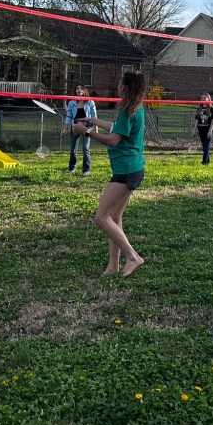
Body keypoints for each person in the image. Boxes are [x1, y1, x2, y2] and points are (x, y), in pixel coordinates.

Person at [73, 71, 146, 277]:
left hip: (126, 170)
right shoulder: (135, 108)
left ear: (126, 87)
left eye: (121, 82)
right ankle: (113, 266)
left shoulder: (128, 110)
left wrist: (86, 132)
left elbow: (113, 140)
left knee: (101, 217)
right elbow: (117, 128)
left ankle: (133, 257)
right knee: (114, 217)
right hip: (133, 168)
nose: (118, 85)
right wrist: (94, 121)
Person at [63, 84, 97, 175]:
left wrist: (96, 129)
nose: (79, 90)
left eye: (81, 88)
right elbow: (68, 117)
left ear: (84, 90)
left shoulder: (90, 102)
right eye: (77, 88)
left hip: (87, 128)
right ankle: (71, 168)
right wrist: (65, 128)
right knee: (73, 149)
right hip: (75, 127)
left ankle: (86, 170)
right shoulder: (71, 103)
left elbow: (94, 116)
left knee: (86, 148)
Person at [193, 93, 213, 165]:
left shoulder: (211, 109)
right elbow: (197, 120)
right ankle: (207, 161)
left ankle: (203, 162)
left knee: (206, 146)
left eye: (204, 97)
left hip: (208, 129)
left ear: (208, 99)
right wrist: (194, 130)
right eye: (202, 98)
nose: (203, 99)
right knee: (204, 146)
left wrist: (210, 131)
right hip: (201, 130)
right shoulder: (199, 109)